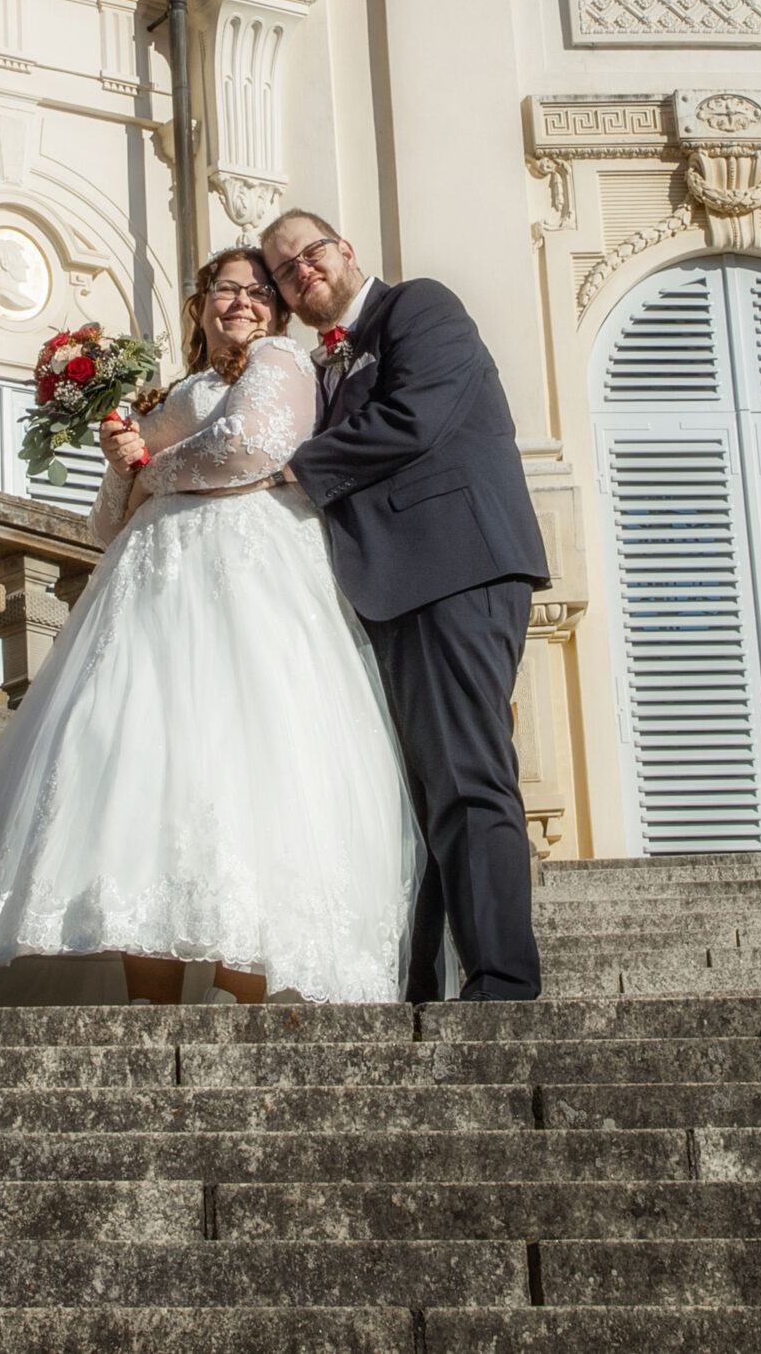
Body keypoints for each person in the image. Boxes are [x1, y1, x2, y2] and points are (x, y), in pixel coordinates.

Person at [0, 247, 419, 1008]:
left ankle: (244, 989)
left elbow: (249, 449)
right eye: (226, 288)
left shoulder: (279, 359)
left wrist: (149, 474)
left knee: (246, 759)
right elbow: (108, 526)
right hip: (149, 586)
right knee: (137, 761)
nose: (243, 301)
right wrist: (119, 465)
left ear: (277, 310)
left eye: (259, 291)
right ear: (201, 304)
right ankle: (150, 995)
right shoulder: (169, 391)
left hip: (246, 575)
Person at [260, 210, 551, 1003]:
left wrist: (292, 469)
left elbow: (414, 417)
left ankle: (502, 982)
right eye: (285, 269)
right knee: (411, 798)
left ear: (346, 250)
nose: (302, 270)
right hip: (385, 592)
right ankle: (420, 982)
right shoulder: (318, 365)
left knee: (466, 773)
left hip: (453, 566)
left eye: (311, 252)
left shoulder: (419, 306)